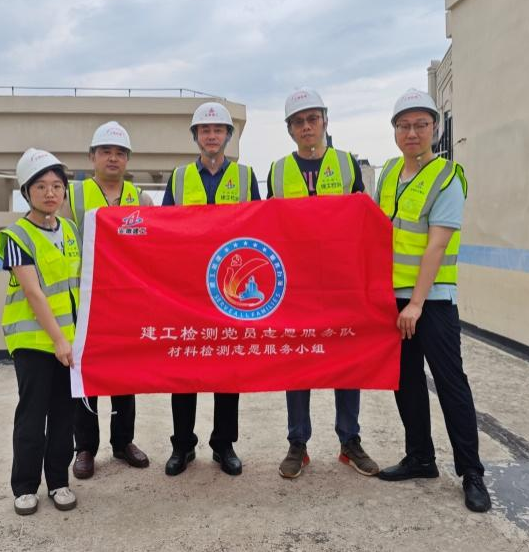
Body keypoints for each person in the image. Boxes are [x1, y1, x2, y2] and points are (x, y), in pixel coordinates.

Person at [374, 89, 491, 513]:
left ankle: (471, 472)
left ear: (435, 129)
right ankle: (420, 457)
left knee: (449, 383)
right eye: (404, 125)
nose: (412, 133)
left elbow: (436, 247)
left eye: (421, 125)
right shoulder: (389, 173)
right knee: (405, 381)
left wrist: (417, 304)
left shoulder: (448, 176)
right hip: (393, 298)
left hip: (432, 301)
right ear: (394, 131)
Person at [267, 87, 379, 479]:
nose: (306, 127)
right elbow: (267, 227)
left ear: (325, 121)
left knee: (346, 360)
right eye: (298, 122)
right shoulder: (277, 171)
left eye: (313, 119)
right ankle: (298, 443)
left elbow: (365, 222)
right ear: (290, 129)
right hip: (296, 286)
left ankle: (350, 441)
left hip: (341, 283)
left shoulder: (347, 165)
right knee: (298, 361)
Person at [161, 101, 261, 476]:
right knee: (184, 366)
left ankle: (224, 444)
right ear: (196, 136)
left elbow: (260, 227)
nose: (212, 135)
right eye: (205, 130)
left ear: (228, 136)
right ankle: (182, 445)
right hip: (186, 289)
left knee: (227, 368)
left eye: (219, 129)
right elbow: (162, 231)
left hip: (229, 289)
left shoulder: (245, 177)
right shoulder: (179, 178)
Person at [0, 148, 79, 516]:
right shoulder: (16, 236)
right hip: (33, 342)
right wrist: (58, 340)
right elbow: (33, 293)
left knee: (64, 416)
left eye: (57, 185)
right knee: (32, 415)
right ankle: (25, 486)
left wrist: (71, 339)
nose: (50, 193)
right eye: (40, 186)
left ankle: (58, 481)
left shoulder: (70, 230)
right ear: (26, 191)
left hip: (68, 342)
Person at [66, 121, 151, 479]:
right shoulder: (72, 196)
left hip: (126, 302)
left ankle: (123, 442)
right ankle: (85, 447)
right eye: (106, 152)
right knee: (85, 373)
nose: (113, 158)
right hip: (85, 300)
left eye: (119, 153)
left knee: (124, 374)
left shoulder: (141, 199)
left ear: (127, 159)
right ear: (92, 157)